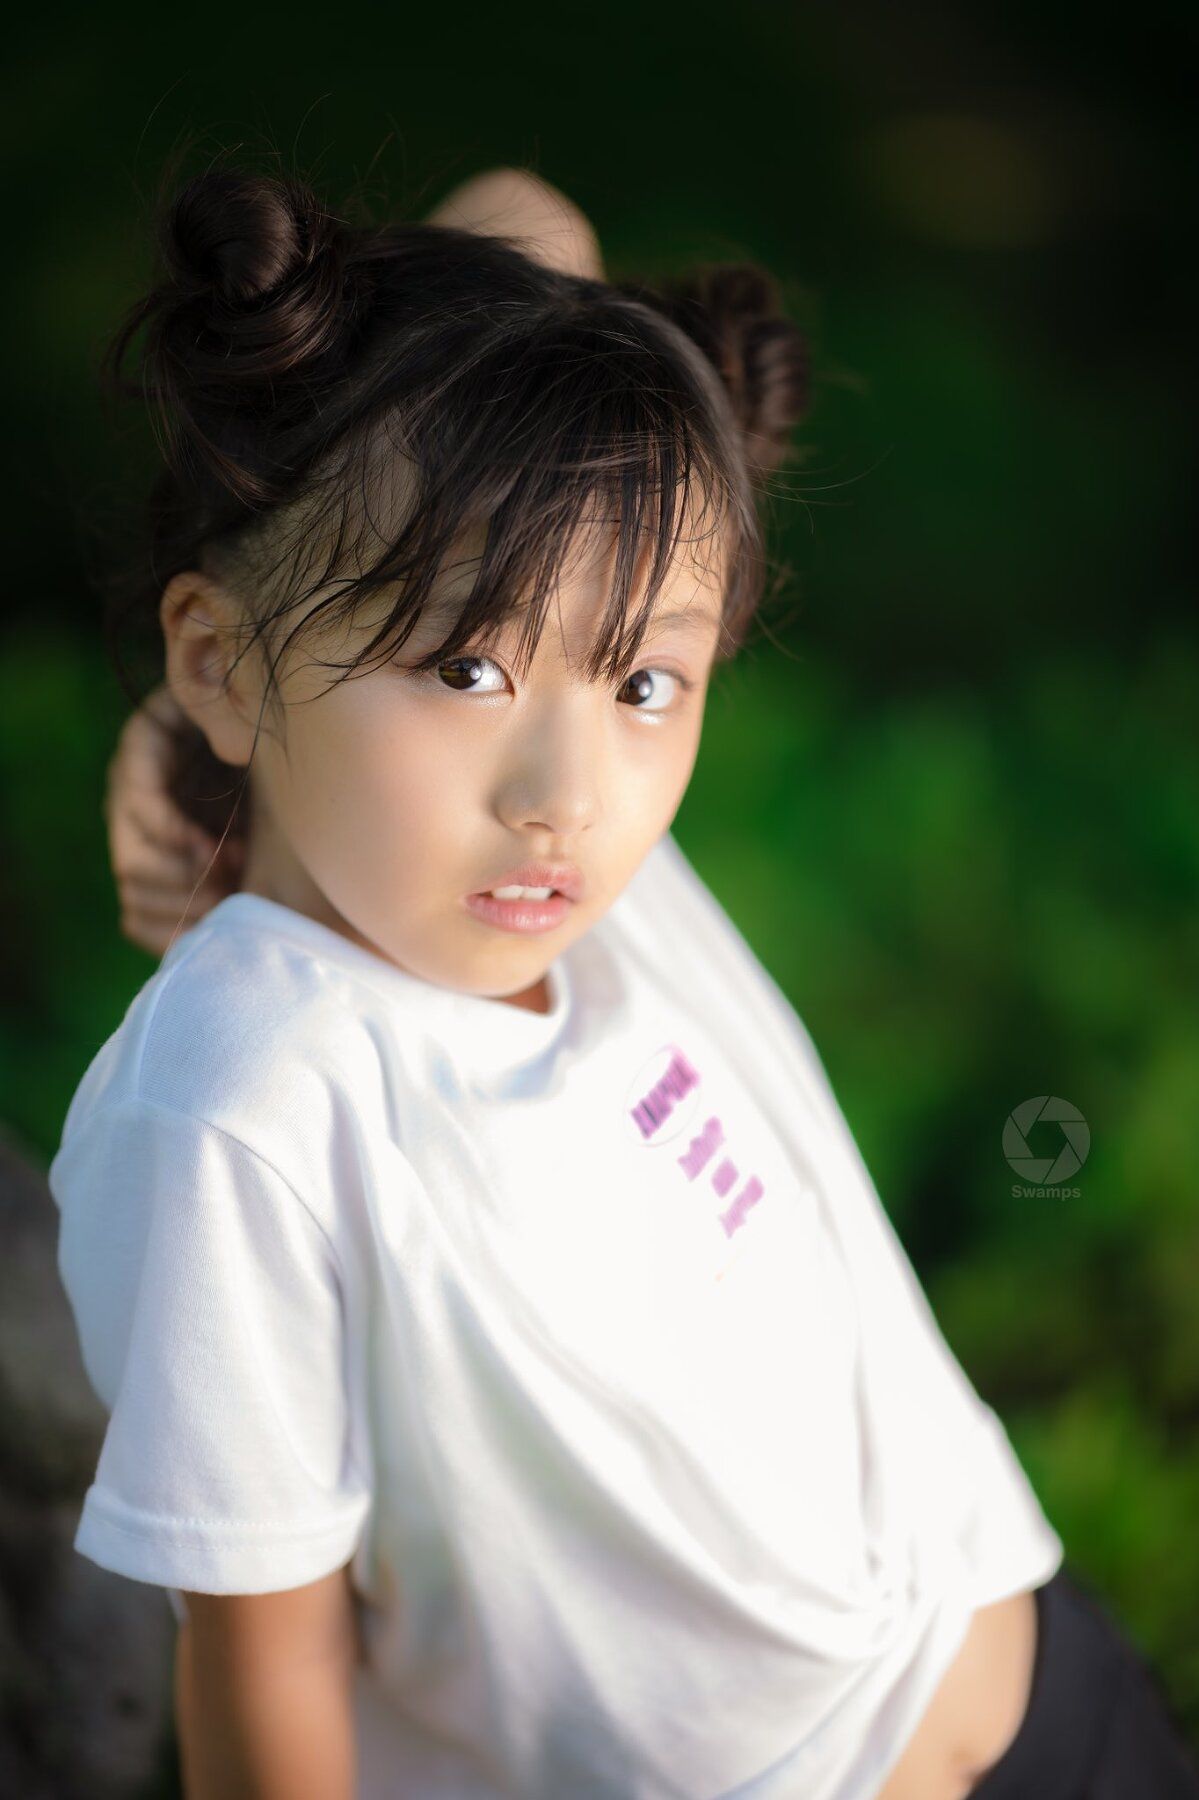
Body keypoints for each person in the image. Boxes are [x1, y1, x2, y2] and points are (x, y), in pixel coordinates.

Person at [52, 162, 1198, 1800]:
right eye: (467, 665)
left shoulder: (598, 891)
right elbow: (265, 1654)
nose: (569, 791)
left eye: (648, 678)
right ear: (223, 653)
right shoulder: (252, 1101)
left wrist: (194, 727)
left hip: (1043, 1671)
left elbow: (528, 218)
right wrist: (214, 717)